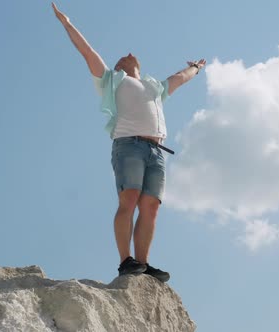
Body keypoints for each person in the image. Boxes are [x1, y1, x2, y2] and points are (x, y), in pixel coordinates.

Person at [52, 3, 205, 282]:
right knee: (129, 200)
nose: (127, 54)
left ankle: (143, 265)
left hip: (157, 151)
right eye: (121, 57)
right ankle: (126, 261)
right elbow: (87, 52)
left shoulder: (154, 87)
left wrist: (195, 67)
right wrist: (67, 22)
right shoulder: (112, 80)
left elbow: (180, 79)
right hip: (129, 145)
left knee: (151, 207)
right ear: (119, 67)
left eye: (130, 55)